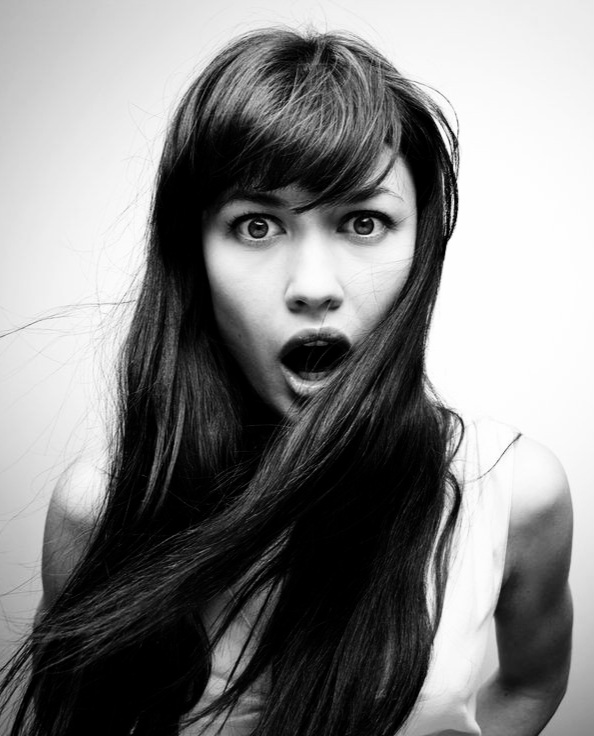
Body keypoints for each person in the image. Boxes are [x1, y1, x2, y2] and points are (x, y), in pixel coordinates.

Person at [0, 27, 572, 736]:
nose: (312, 286)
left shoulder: (513, 495)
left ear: (422, 245)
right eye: (256, 226)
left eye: (364, 221)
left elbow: (532, 684)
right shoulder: (102, 511)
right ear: (193, 254)